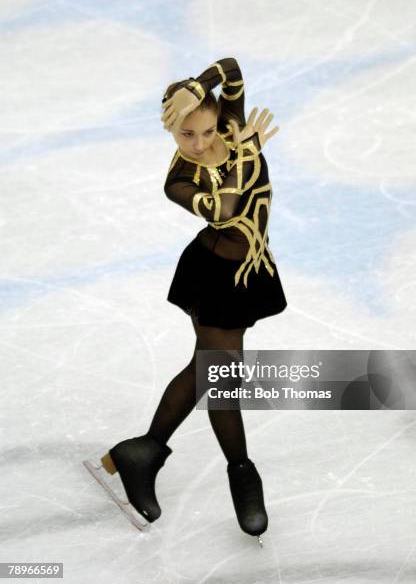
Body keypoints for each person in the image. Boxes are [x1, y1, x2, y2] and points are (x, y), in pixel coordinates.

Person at [83, 57, 287, 547]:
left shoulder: (228, 126)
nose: (198, 143)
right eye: (184, 135)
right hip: (213, 275)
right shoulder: (179, 179)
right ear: (172, 134)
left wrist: (202, 83)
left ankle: (144, 451)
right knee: (222, 377)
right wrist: (246, 152)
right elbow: (225, 209)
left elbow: (233, 69)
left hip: (249, 271)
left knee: (206, 369)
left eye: (205, 130)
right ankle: (241, 473)